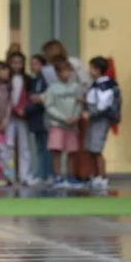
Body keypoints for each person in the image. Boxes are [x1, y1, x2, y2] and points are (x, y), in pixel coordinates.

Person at [44, 59, 83, 188]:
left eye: (69, 71)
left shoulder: (76, 87)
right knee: (57, 152)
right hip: (57, 125)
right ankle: (58, 177)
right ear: (58, 73)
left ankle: (71, 177)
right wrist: (62, 117)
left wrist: (75, 116)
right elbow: (49, 106)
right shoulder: (52, 89)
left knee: (71, 152)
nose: (67, 74)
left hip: (72, 125)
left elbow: (79, 103)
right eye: (63, 71)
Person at [84, 57, 118, 190]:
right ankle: (95, 175)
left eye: (92, 68)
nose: (90, 71)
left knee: (96, 148)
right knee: (90, 147)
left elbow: (103, 105)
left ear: (98, 70)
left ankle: (102, 176)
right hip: (94, 118)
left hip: (100, 118)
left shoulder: (105, 86)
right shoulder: (95, 84)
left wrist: (91, 113)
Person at [7, 51, 33, 185]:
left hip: (23, 117)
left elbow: (29, 98)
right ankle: (9, 176)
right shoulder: (6, 79)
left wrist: (24, 109)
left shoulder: (27, 80)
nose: (17, 65)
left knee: (24, 146)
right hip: (8, 117)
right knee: (8, 146)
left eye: (19, 62)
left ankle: (24, 175)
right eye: (14, 62)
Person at [25, 54, 51, 184]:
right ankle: (41, 173)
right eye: (31, 63)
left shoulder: (45, 80)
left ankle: (46, 174)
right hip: (36, 118)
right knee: (40, 147)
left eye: (36, 63)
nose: (32, 66)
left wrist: (39, 99)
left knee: (46, 147)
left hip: (45, 117)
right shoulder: (34, 80)